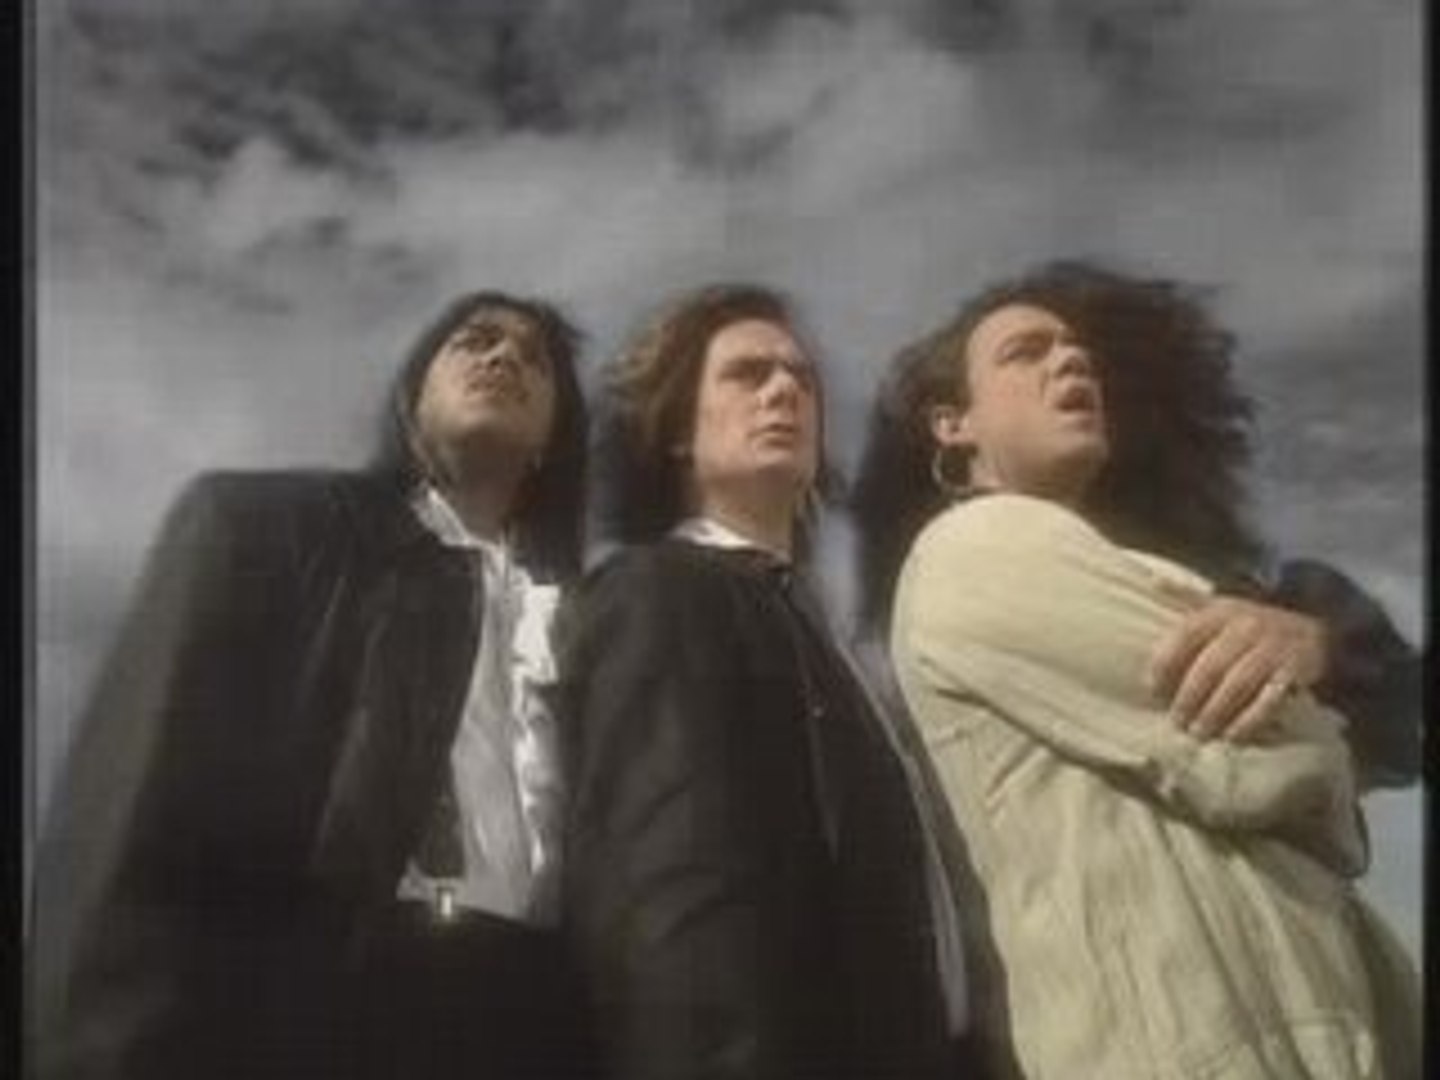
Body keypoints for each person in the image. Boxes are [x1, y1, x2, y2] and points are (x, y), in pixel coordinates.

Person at [852, 261, 1422, 1079]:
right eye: (1026, 352)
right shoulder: (972, 548)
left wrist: (1322, 651)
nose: (1069, 360)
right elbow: (1267, 755)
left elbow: (1385, 714)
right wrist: (1331, 758)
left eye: (1078, 351)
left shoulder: (1137, 565)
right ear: (953, 424)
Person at [29, 291, 597, 1079]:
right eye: (476, 339)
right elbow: (137, 831)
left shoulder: (591, 622)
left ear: (554, 439)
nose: (504, 358)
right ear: (411, 398)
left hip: (538, 1020)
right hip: (335, 1010)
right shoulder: (265, 530)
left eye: (535, 360)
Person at [556, 283, 970, 1080]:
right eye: (748, 374)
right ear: (678, 430)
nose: (786, 390)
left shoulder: (830, 642)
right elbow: (670, 900)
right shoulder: (658, 591)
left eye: (801, 378)